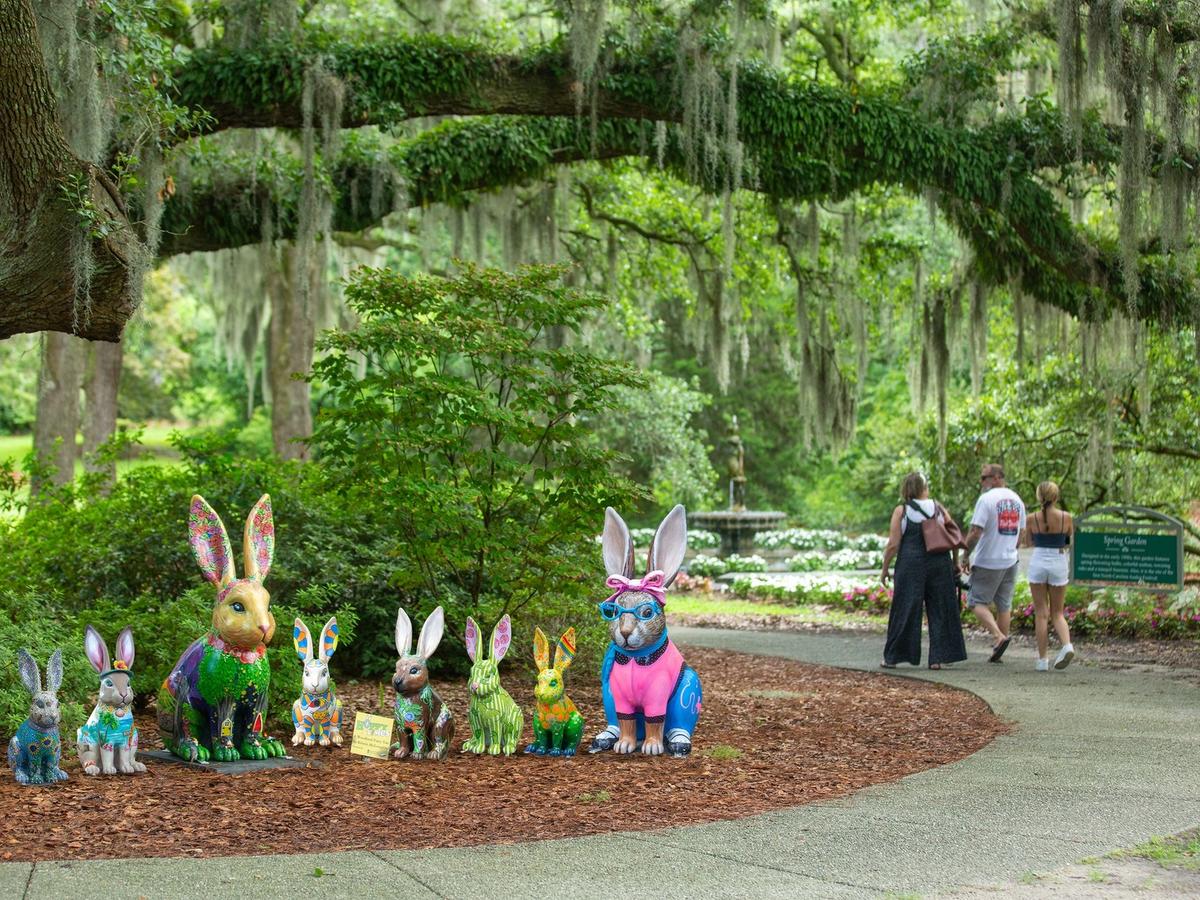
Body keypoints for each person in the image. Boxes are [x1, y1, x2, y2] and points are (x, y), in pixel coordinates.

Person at [880, 472, 968, 670]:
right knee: (941, 608)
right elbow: (952, 535)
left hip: (911, 565)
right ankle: (938, 657)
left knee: (906, 608)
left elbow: (894, 544)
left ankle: (894, 657)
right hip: (940, 563)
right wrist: (955, 563)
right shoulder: (938, 508)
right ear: (924, 488)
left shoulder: (901, 511)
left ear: (906, 489)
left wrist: (885, 568)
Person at [959, 463, 1025, 663]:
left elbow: (975, 531)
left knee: (975, 601)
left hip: (988, 559)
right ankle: (999, 649)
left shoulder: (986, 499)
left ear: (997, 477)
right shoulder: (1017, 500)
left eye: (984, 477)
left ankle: (998, 636)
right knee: (1004, 605)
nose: (982, 481)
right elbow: (1021, 533)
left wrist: (965, 554)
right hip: (1010, 559)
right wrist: (1010, 549)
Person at [1023, 481, 1075, 671]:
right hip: (1058, 561)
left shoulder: (1031, 518)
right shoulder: (1066, 517)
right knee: (1057, 612)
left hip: (1038, 562)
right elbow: (1069, 541)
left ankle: (1042, 660)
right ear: (1056, 497)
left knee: (1041, 613)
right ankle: (1067, 645)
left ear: (1039, 497)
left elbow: (1027, 543)